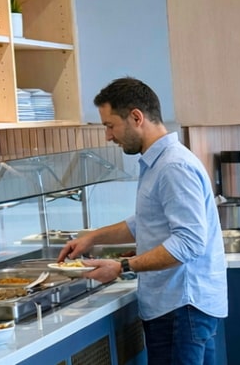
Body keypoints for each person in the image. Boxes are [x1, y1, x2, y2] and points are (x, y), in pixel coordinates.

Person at [58, 77, 228, 364]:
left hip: (180, 307)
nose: (108, 137)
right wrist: (93, 237)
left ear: (136, 117)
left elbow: (188, 243)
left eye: (110, 126)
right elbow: (145, 222)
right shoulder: (159, 162)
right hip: (179, 307)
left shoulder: (173, 166)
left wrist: (122, 266)